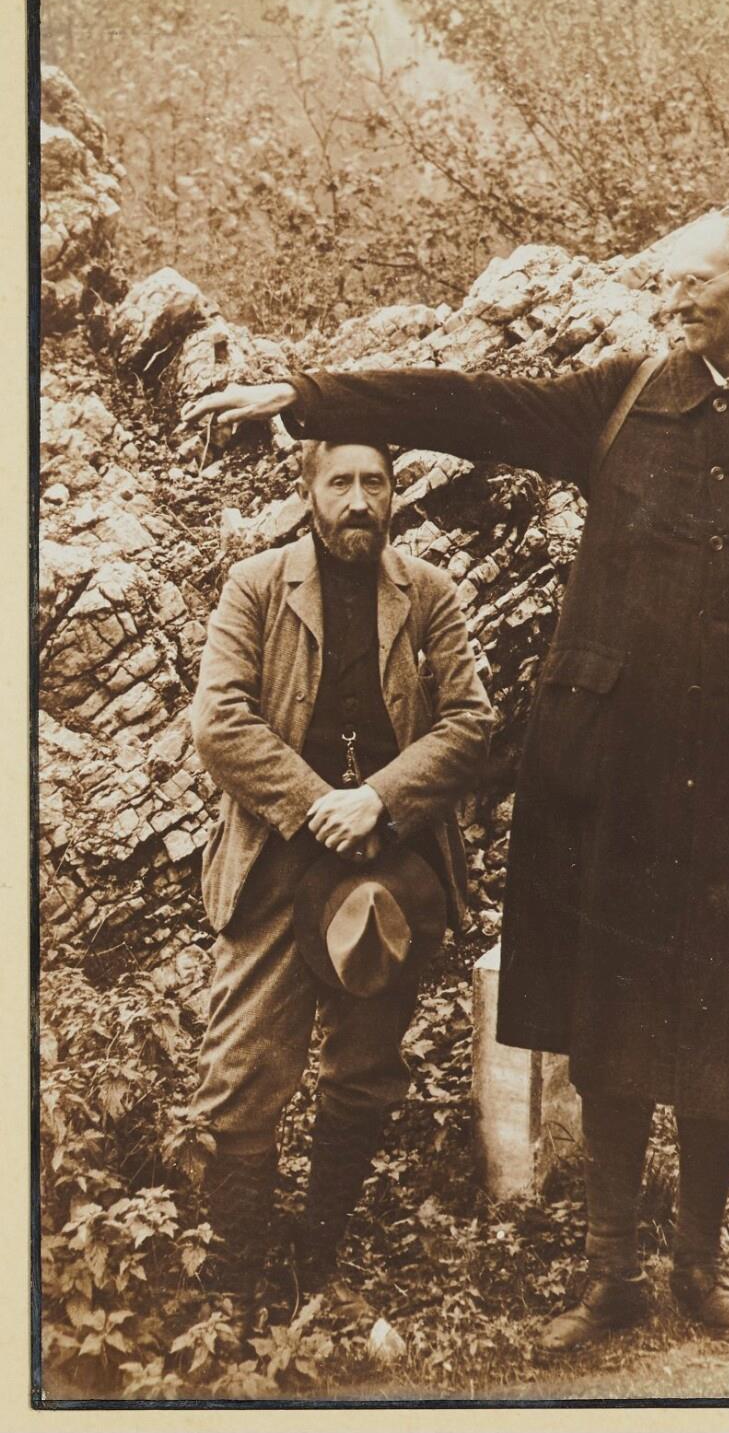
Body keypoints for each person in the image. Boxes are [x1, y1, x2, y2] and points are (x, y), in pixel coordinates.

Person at [183, 213, 729, 1351]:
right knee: (612, 1017)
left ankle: (700, 1267)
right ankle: (609, 1274)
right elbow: (471, 404)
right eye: (664, 285)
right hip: (618, 773)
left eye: (693, 283)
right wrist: (309, 397)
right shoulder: (623, 398)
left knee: (727, 1020)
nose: (672, 302)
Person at [187, 436, 494, 1333]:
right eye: (340, 482)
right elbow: (219, 721)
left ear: (395, 493)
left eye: (375, 482)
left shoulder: (427, 593)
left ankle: (317, 1266)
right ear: (309, 491)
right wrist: (321, 803)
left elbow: (471, 723)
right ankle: (233, 1283)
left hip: (389, 866)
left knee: (364, 1070)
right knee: (242, 1068)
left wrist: (379, 802)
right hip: (279, 856)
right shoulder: (255, 586)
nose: (359, 500)